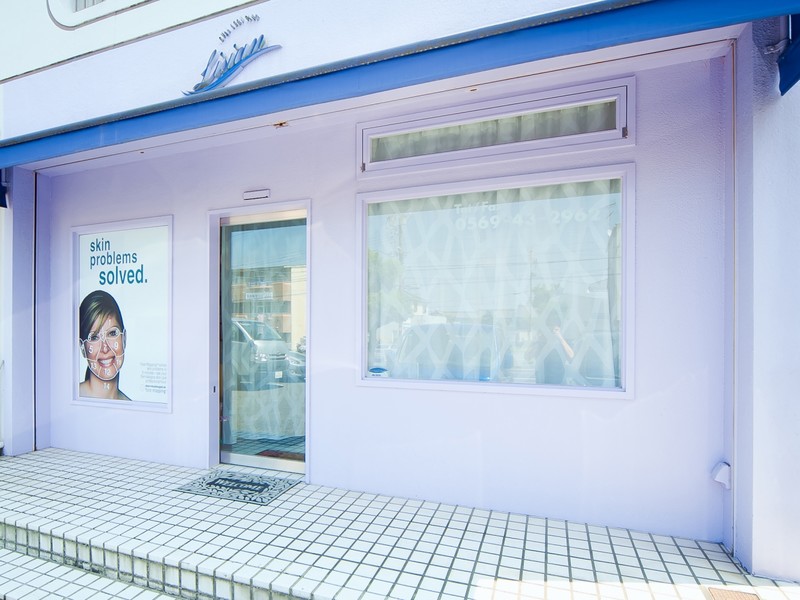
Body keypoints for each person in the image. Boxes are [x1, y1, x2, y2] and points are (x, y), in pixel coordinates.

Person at [78, 290, 131, 400]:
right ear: (82, 348)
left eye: (112, 333)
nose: (105, 348)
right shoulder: (68, 397)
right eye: (94, 337)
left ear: (124, 338)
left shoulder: (131, 406)